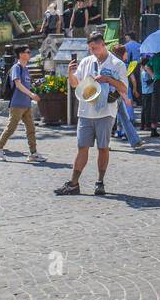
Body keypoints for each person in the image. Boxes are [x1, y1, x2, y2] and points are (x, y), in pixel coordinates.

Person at [55, 31, 128, 196]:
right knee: (82, 147)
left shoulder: (117, 64)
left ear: (103, 45)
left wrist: (108, 80)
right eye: (90, 49)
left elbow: (124, 89)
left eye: (95, 48)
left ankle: (100, 182)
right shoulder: (87, 61)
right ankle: (74, 183)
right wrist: (70, 74)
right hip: (86, 111)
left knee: (103, 148)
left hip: (105, 112)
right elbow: (75, 85)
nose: (92, 51)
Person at [0, 46, 43, 161]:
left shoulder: (25, 69)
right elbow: (18, 84)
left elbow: (26, 86)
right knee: (11, 128)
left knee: (31, 129)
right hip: (17, 104)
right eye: (27, 52)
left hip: (26, 104)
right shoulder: (16, 68)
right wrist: (31, 95)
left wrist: (35, 86)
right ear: (21, 54)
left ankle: (33, 153)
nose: (30, 54)